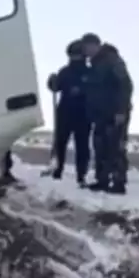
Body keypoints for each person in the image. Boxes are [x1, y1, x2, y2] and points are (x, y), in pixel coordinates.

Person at [80, 33, 133, 194]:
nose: (85, 51)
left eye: (87, 47)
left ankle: (119, 181)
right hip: (100, 114)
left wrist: (121, 110)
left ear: (95, 45)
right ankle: (102, 179)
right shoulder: (95, 65)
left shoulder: (112, 61)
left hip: (114, 112)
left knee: (116, 147)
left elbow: (125, 85)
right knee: (100, 147)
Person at [44, 40, 92, 185]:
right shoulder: (65, 71)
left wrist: (82, 90)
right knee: (60, 142)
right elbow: (56, 87)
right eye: (72, 55)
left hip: (83, 113)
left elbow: (94, 90)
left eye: (77, 55)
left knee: (82, 145)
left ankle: (81, 174)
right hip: (65, 112)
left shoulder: (89, 72)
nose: (74, 58)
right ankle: (58, 169)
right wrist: (51, 82)